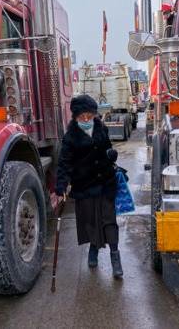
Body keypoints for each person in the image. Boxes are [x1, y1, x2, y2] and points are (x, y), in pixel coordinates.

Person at [55, 95, 122, 278]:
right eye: (81, 116)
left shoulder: (102, 128)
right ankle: (93, 248)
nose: (86, 119)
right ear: (75, 116)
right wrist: (60, 187)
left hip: (105, 183)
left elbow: (108, 149)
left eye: (89, 115)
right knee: (91, 222)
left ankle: (115, 257)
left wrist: (111, 154)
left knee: (109, 221)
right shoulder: (70, 137)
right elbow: (64, 163)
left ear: (94, 114)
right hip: (84, 186)